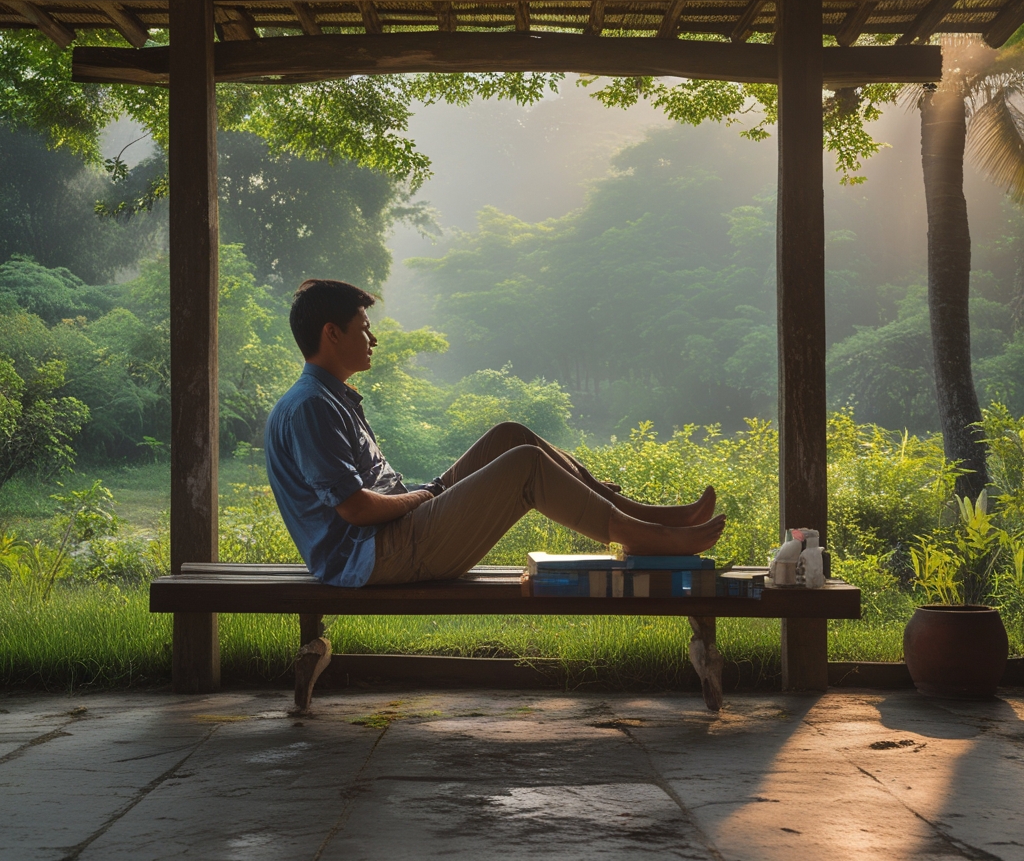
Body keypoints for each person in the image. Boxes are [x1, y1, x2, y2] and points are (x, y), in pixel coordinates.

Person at [265, 279, 726, 708]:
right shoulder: (311, 407)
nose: (374, 340)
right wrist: (424, 499)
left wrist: (423, 497)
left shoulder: (329, 397)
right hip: (374, 555)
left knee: (510, 435)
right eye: (364, 330)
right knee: (523, 465)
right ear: (331, 333)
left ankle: (647, 519)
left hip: (395, 531)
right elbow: (355, 508)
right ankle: (642, 536)